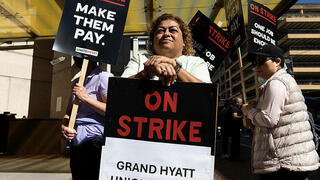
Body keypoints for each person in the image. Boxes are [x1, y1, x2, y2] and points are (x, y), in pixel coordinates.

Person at [242, 44, 319, 179]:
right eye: (254, 63)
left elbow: (269, 119)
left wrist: (248, 111)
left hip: (282, 162)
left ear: (277, 61)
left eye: (261, 61)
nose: (256, 67)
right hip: (291, 160)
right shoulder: (283, 81)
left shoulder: (276, 83)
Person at [61, 57, 113, 180]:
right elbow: (68, 113)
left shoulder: (104, 77)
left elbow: (112, 111)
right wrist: (64, 126)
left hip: (94, 141)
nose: (77, 57)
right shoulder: (76, 82)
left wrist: (85, 98)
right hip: (76, 140)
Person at [121, 13, 211, 84]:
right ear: (152, 41)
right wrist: (144, 74)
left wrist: (175, 66)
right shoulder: (140, 59)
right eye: (160, 31)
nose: (166, 34)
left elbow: (207, 94)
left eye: (173, 30)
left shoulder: (196, 62)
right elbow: (118, 88)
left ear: (184, 41)